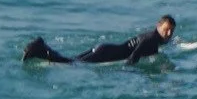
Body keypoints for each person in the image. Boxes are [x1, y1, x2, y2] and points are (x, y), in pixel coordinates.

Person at [24, 16, 177, 66]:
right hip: (106, 54)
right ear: (158, 26)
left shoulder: (153, 37)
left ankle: (40, 48)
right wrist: (126, 72)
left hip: (104, 49)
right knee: (72, 64)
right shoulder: (151, 39)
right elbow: (133, 57)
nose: (168, 33)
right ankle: (40, 48)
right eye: (166, 29)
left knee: (72, 61)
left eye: (171, 31)